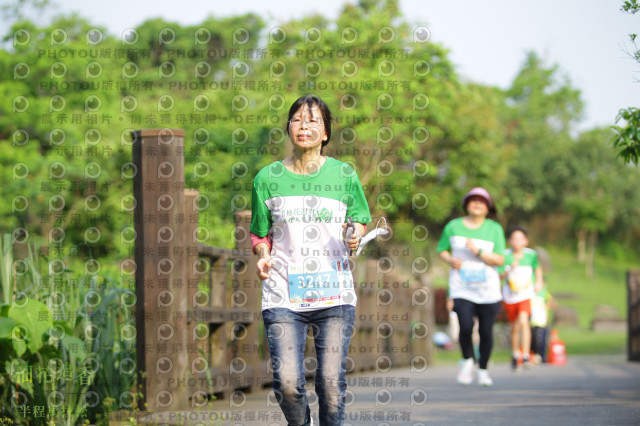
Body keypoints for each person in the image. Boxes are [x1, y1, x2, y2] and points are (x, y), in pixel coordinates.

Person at [250, 94, 371, 426]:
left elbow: (360, 219)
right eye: (297, 119)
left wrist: (354, 233)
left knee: (331, 384)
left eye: (313, 120)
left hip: (334, 293)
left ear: (326, 132)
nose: (304, 126)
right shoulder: (266, 178)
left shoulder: (344, 175)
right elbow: (260, 233)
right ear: (288, 128)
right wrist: (262, 255)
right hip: (283, 293)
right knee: (288, 384)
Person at [437, 187, 505, 386]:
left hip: (488, 290)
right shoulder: (453, 226)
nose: (477, 203)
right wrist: (450, 260)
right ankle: (467, 360)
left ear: (488, 207)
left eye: (482, 201)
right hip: (461, 287)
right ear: (466, 204)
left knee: (486, 331)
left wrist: (479, 252)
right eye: (473, 199)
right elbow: (442, 249)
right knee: (465, 326)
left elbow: (500, 259)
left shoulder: (495, 229)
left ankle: (483, 370)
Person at [499, 226, 544, 371]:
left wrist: (538, 282)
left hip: (525, 294)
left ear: (525, 241)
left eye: (520, 239)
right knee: (514, 326)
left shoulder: (531, 255)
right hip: (511, 295)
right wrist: (509, 269)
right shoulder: (504, 255)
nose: (517, 242)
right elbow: (499, 274)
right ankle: (515, 353)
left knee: (524, 321)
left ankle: (525, 355)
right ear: (510, 241)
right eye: (514, 238)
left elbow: (538, 269)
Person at [530, 285, 554, 363]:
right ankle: (532, 356)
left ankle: (541, 356)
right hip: (531, 321)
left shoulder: (544, 292)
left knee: (541, 340)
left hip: (541, 320)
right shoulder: (529, 291)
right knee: (532, 340)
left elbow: (551, 302)